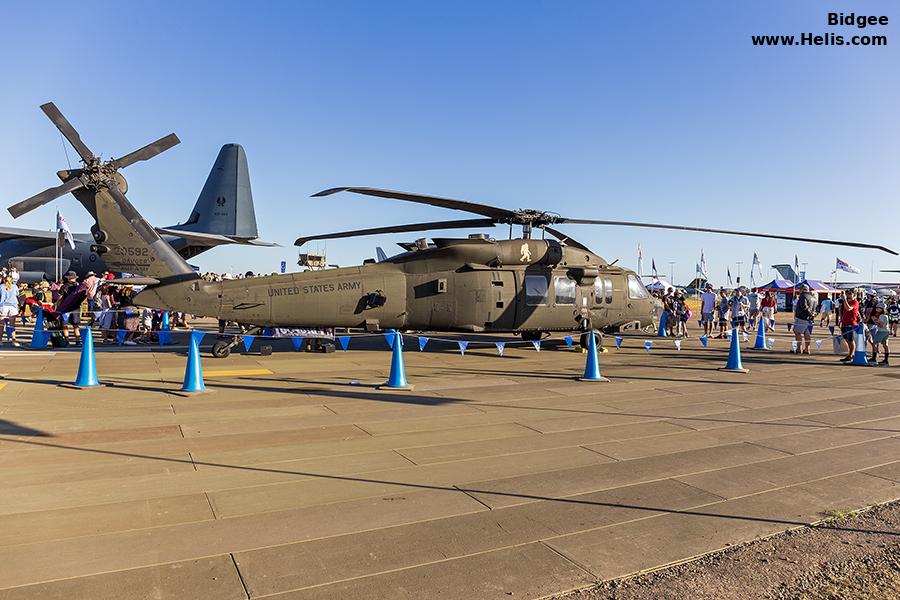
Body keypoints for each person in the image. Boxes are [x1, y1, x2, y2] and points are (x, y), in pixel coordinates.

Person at [793, 283, 817, 355]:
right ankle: (807, 349)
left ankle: (799, 348)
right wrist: (813, 314)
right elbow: (815, 307)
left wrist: (810, 313)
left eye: (800, 289)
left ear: (803, 290)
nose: (799, 290)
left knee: (797, 332)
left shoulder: (803, 296)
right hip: (809, 319)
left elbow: (804, 307)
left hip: (802, 317)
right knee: (807, 333)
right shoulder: (813, 297)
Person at [839, 289, 860, 362]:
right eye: (847, 295)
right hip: (844, 323)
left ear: (854, 295)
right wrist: (841, 320)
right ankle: (850, 354)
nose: (848, 296)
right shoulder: (846, 302)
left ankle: (851, 354)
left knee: (851, 340)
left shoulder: (855, 302)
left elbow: (848, 309)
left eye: (850, 294)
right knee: (847, 339)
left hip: (851, 324)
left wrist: (844, 299)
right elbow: (844, 312)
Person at [0, 276, 20, 347]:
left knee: (1, 325)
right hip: (13, 306)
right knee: (12, 325)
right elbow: (17, 296)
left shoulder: (1, 286)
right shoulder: (15, 287)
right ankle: (13, 340)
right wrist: (19, 305)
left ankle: (0, 340)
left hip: (3, 306)